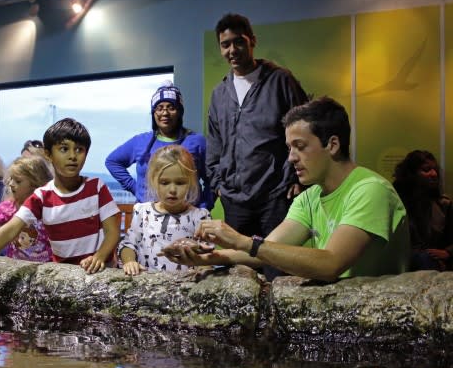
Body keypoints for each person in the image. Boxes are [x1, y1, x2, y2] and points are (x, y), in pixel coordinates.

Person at [166, 97, 410, 282]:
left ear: (332, 145)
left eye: (300, 146)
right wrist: (205, 258)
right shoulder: (310, 197)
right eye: (289, 148)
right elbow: (265, 251)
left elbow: (331, 264)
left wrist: (242, 240)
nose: (291, 158)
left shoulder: (370, 190)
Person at [0, 118, 121, 291]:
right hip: (64, 277)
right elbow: (10, 228)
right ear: (48, 154)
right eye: (64, 149)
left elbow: (113, 232)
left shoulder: (96, 187)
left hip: (99, 275)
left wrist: (99, 257)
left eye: (79, 150)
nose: (72, 156)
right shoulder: (41, 196)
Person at [207, 13, 308, 281]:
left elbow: (302, 130)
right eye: (225, 44)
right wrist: (218, 182)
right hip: (234, 199)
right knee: (235, 273)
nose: (232, 50)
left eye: (238, 42)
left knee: (277, 268)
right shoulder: (219, 93)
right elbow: (214, 141)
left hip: (274, 195)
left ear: (252, 41)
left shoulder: (281, 81)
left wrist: (298, 178)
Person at [105, 81, 213, 209]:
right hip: (148, 218)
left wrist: (205, 205)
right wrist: (136, 189)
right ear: (153, 113)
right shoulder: (141, 142)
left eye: (171, 107)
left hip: (188, 216)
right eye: (159, 108)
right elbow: (112, 161)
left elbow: (212, 178)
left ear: (179, 112)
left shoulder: (197, 141)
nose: (165, 113)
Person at [118, 145, 211, 275]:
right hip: (148, 286)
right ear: (153, 181)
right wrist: (129, 261)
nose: (172, 190)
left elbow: (207, 258)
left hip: (185, 288)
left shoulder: (200, 217)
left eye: (180, 183)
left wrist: (204, 268)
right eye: (165, 182)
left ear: (190, 182)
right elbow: (128, 244)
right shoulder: (143, 212)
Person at [393, 150, 453, 271]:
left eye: (435, 169)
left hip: (432, 262)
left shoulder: (444, 205)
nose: (434, 174)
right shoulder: (395, 202)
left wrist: (448, 252)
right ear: (411, 174)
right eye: (426, 170)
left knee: (424, 259)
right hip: (401, 259)